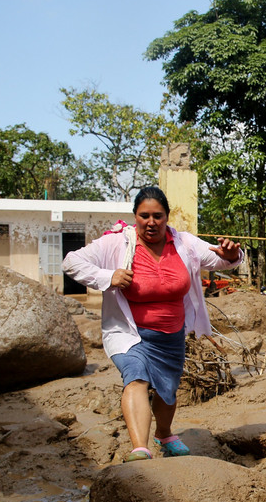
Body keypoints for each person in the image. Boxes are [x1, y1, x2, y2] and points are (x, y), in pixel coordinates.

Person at [62, 186, 242, 462]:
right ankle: (139, 448)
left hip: (171, 335)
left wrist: (231, 254)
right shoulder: (117, 243)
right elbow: (71, 262)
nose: (151, 222)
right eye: (144, 215)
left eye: (157, 215)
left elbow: (220, 260)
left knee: (168, 390)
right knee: (135, 377)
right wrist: (108, 276)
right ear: (135, 216)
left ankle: (165, 434)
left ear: (167, 217)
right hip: (130, 333)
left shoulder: (184, 243)